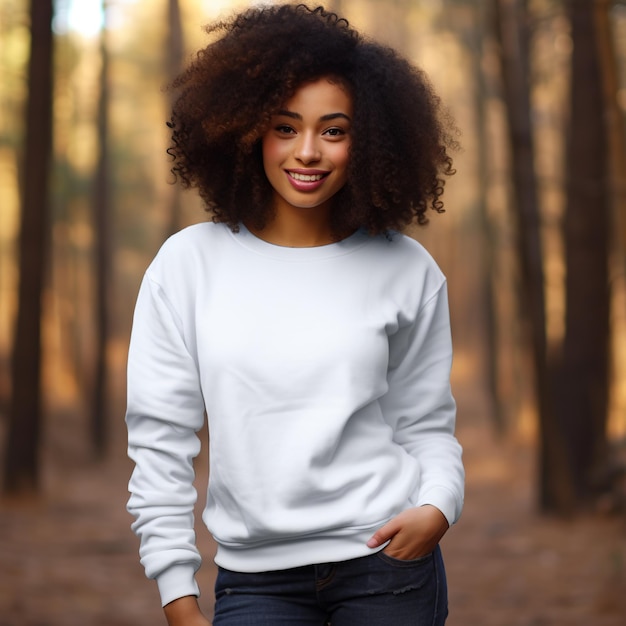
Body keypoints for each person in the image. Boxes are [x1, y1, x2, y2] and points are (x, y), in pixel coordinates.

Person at [125, 3, 464, 625]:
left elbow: (426, 425)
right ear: (245, 128)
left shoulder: (406, 268)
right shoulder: (187, 265)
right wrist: (177, 590)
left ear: (369, 142)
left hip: (387, 563)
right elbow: (161, 442)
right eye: (286, 127)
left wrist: (439, 507)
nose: (308, 152)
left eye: (334, 130)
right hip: (256, 581)